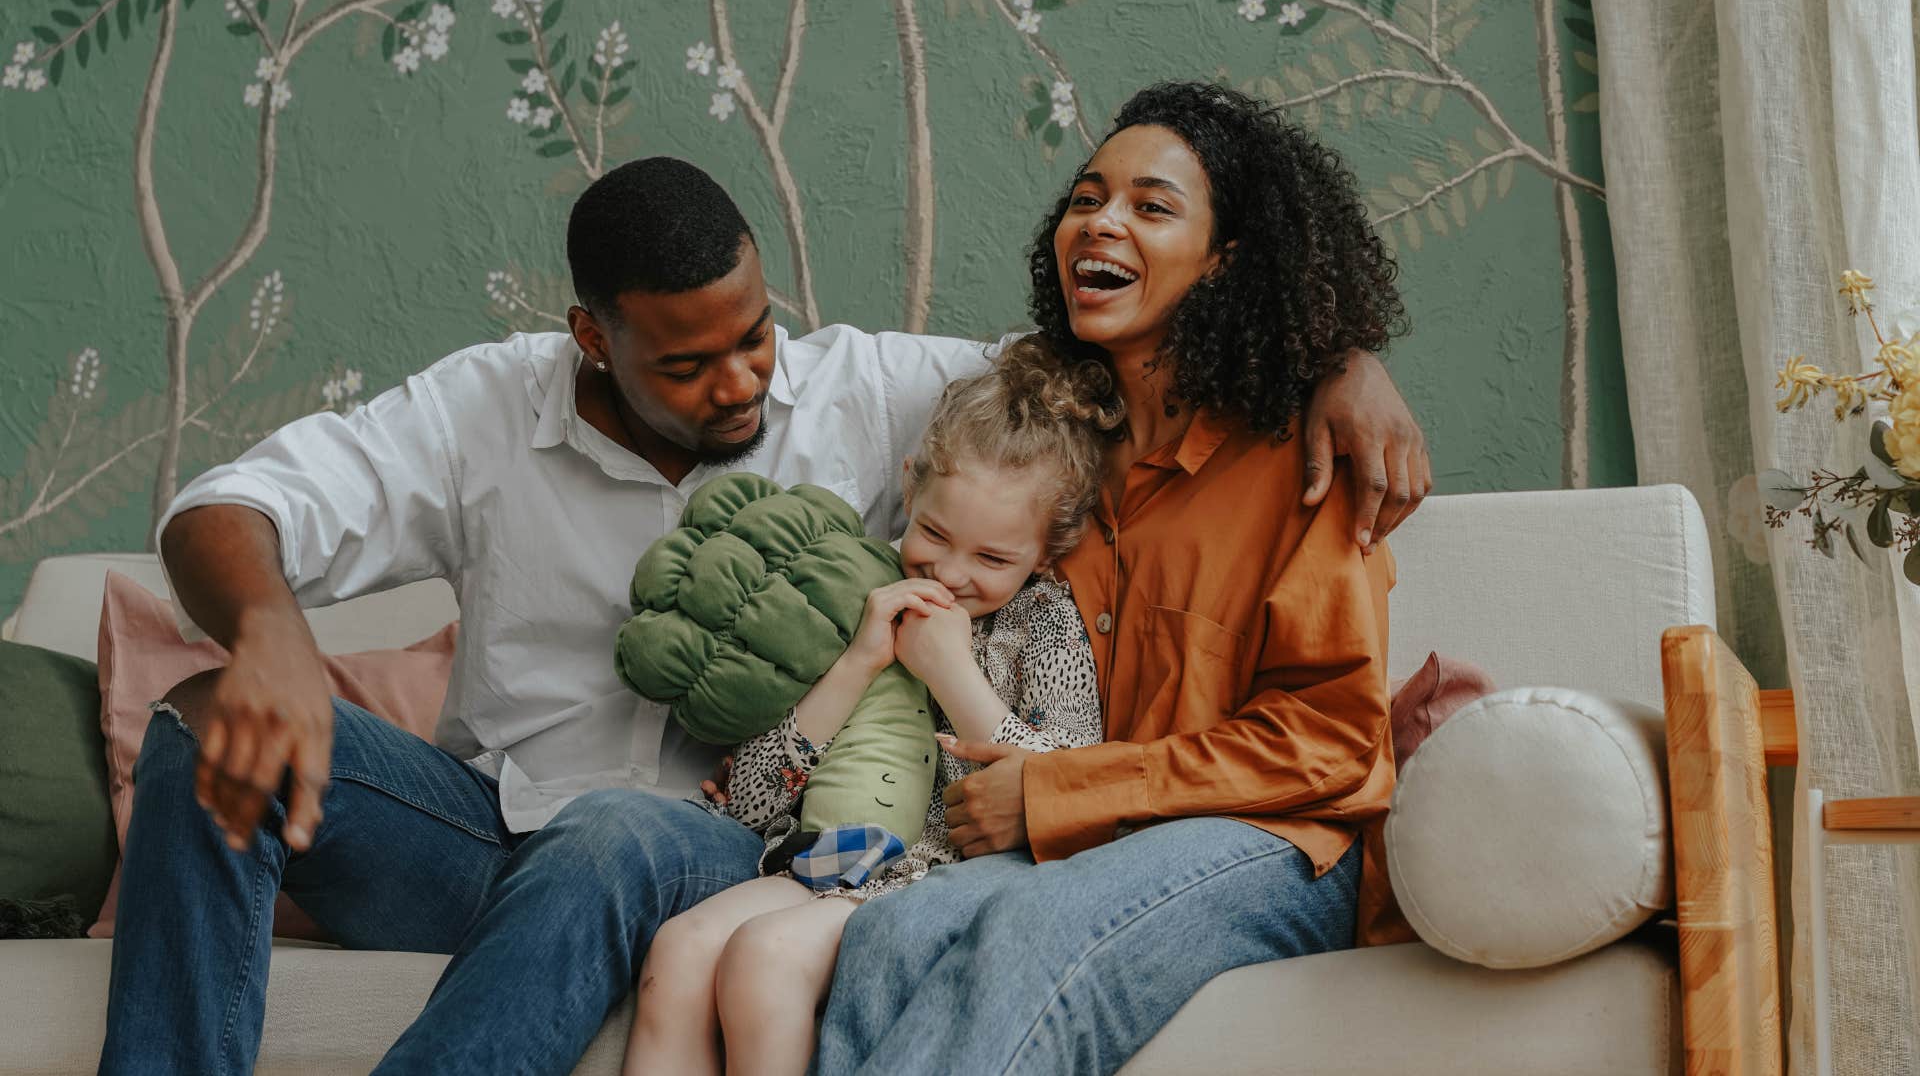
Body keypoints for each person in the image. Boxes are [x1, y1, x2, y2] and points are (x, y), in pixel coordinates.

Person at [98, 153, 1425, 1075]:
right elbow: (237, 505)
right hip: (482, 834)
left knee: (616, 831)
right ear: (589, 337)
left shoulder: (871, 391)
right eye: (687, 362)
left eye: (756, 336)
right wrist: (270, 634)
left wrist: (1339, 357)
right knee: (195, 722)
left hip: (719, 844)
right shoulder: (480, 411)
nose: (741, 382)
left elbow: (1118, 363)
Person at [814, 81, 1413, 1075]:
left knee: (1036, 934)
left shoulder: (1303, 454)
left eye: (1152, 205)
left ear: (1225, 260)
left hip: (1270, 846)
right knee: (884, 941)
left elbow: (1335, 742)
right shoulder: (1048, 441)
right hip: (1087, 842)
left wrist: (1063, 791)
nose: (1103, 221)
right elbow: (830, 372)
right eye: (1088, 197)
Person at [626, 340, 1115, 1076]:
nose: (948, 575)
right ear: (911, 487)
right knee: (681, 948)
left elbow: (1070, 790)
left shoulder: (1041, 622)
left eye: (992, 559)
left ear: (1046, 552)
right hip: (826, 861)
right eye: (935, 535)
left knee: (764, 956)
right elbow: (750, 809)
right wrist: (859, 660)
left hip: (951, 877)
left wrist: (950, 671)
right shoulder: (857, 589)